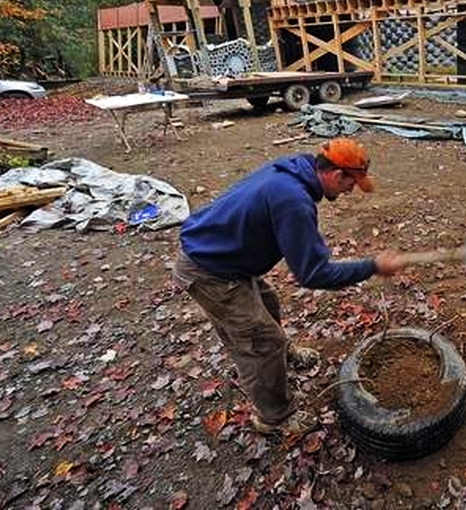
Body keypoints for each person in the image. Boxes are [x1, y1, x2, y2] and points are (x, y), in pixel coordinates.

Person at [173, 138, 405, 434]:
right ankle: (275, 417)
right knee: (260, 342)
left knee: (268, 303)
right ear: (336, 175)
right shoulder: (292, 199)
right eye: (351, 184)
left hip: (226, 254)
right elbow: (314, 274)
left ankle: (283, 356)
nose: (350, 191)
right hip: (210, 269)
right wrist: (372, 266)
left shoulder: (296, 170)